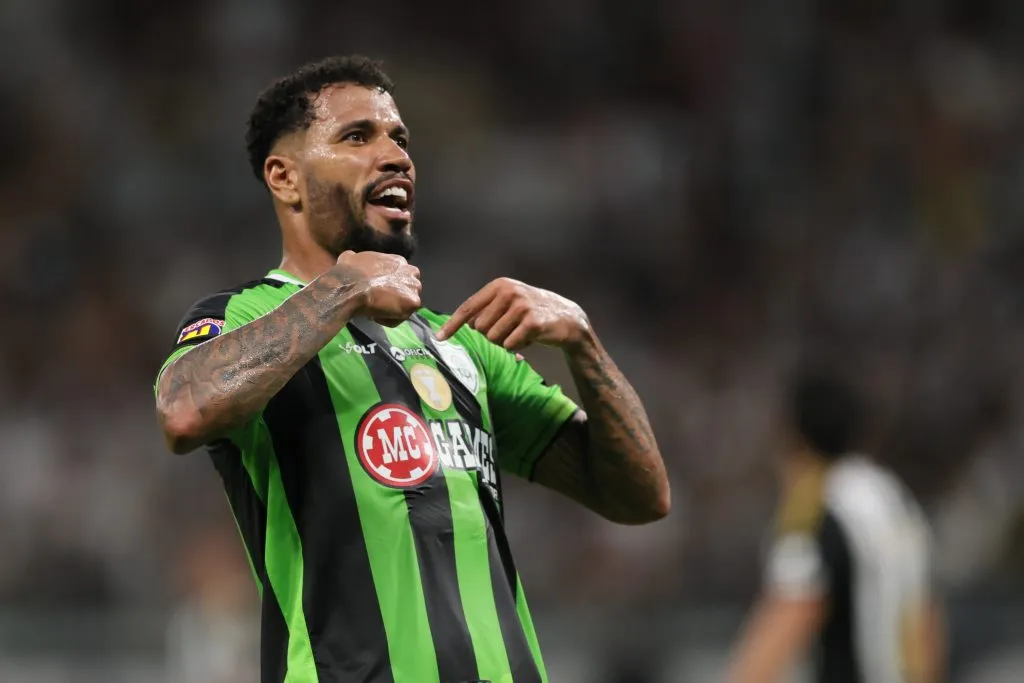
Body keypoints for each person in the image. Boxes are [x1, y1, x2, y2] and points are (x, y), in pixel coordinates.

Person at [153, 54, 670, 683]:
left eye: (400, 138)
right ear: (284, 178)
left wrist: (584, 345)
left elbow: (640, 497)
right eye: (357, 136)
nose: (395, 155)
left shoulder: (461, 345)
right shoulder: (243, 315)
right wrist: (342, 289)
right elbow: (183, 410)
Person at [723, 367, 946, 683]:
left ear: (792, 436)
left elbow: (789, 617)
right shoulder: (895, 499)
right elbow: (926, 621)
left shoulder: (815, 508)